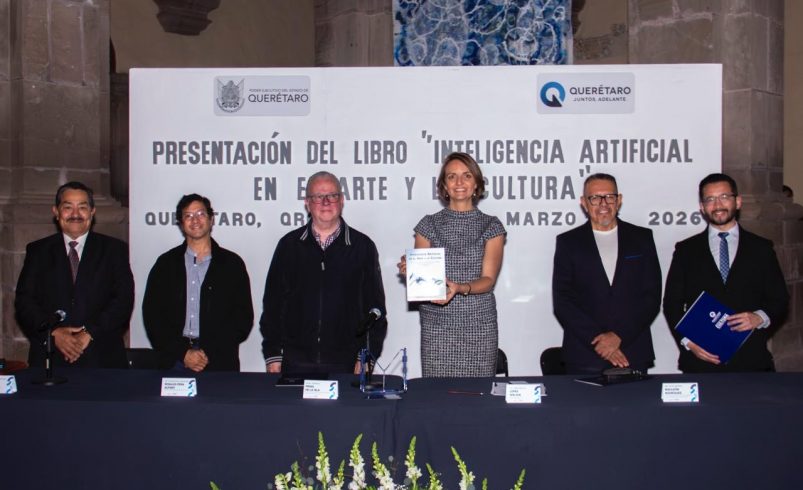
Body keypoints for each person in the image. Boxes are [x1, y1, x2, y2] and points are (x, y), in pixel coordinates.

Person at [260, 171, 387, 374]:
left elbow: (376, 309)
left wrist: (366, 355)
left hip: (347, 363)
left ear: (341, 200)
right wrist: (273, 353)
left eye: (332, 195)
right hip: (295, 362)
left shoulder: (363, 247)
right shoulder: (288, 246)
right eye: (318, 196)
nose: (326, 202)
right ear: (307, 203)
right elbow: (273, 305)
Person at [663, 173, 789, 372]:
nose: (718, 205)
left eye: (724, 197)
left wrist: (759, 317)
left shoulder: (761, 248)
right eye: (710, 199)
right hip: (701, 361)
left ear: (737, 202)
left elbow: (779, 298)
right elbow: (672, 303)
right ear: (702, 207)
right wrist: (688, 342)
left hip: (751, 360)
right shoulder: (686, 250)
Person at [399, 152, 506, 377]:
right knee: (437, 394)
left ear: (476, 184)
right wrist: (411, 270)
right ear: (444, 186)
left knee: (479, 394)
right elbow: (421, 281)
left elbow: (488, 280)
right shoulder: (427, 225)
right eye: (451, 176)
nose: (459, 182)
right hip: (436, 325)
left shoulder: (491, 226)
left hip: (479, 325)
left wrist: (460, 288)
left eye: (467, 175)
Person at [15, 181, 135, 368]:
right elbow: (24, 302)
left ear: (92, 212)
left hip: (102, 359)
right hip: (51, 359)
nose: (75, 214)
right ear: (56, 212)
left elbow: (123, 300)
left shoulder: (114, 250)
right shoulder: (38, 251)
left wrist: (89, 333)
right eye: (68, 207)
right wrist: (54, 333)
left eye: (82, 207)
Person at [552, 173, 661, 375]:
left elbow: (651, 296)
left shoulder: (642, 238)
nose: (603, 203)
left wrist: (618, 336)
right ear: (584, 203)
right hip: (585, 354)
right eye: (595, 198)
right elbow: (563, 301)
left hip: (632, 351)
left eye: (609, 197)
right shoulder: (568, 242)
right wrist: (600, 342)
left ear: (619, 200)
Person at [142, 194, 253, 372]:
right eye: (188, 216)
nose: (195, 220)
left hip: (219, 360)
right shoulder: (166, 264)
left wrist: (206, 352)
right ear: (181, 223)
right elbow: (153, 316)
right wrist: (183, 353)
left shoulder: (232, 264)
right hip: (175, 359)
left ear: (211, 219)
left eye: (201, 214)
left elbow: (242, 318)